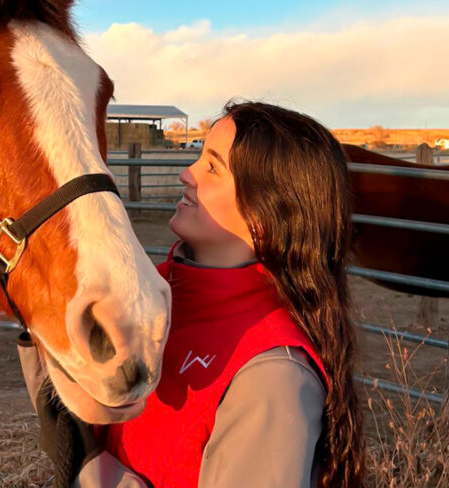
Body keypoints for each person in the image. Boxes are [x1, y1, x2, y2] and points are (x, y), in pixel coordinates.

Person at [20, 101, 364, 488]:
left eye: (212, 168)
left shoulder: (272, 375)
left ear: (265, 216)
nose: (188, 174)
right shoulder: (155, 292)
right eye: (199, 158)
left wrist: (88, 465)